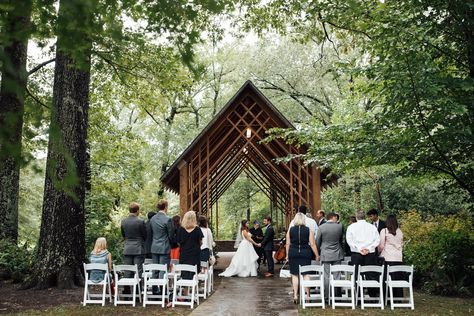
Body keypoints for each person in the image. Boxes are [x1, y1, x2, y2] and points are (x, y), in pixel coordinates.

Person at [286, 213, 320, 304]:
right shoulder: (309, 230)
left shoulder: (290, 230)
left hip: (293, 252)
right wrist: (317, 255)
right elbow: (312, 244)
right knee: (306, 274)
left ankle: (295, 295)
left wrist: (286, 255)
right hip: (306, 253)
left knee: (294, 274)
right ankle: (308, 296)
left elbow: (288, 244)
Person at [346, 210, 380, 296]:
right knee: (371, 274)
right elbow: (377, 240)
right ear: (365, 217)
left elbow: (349, 240)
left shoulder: (351, 227)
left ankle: (358, 295)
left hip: (357, 254)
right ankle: (372, 295)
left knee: (357, 274)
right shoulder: (372, 227)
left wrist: (359, 248)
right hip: (370, 254)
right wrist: (369, 248)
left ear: (356, 217)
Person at [316, 212, 344, 301]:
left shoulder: (321, 227)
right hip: (337, 253)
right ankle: (337, 296)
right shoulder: (340, 226)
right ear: (334, 217)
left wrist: (319, 251)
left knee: (326, 276)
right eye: (336, 218)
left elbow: (317, 241)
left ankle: (327, 296)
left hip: (325, 253)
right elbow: (341, 240)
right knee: (337, 275)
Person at [121, 202, 146, 293]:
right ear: (137, 210)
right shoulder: (140, 221)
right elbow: (144, 235)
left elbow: (123, 235)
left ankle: (126, 291)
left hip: (127, 247)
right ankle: (137, 291)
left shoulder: (124, 221)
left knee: (127, 269)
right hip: (138, 248)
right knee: (138, 270)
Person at [378, 214, 404, 298]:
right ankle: (398, 297)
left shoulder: (384, 231)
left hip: (387, 257)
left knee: (387, 278)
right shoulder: (400, 231)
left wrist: (378, 252)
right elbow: (401, 243)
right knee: (397, 278)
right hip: (398, 258)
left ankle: (388, 296)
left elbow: (381, 246)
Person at [177, 211, 204, 280]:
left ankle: (186, 289)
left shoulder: (181, 230)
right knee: (194, 272)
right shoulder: (197, 230)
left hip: (184, 254)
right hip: (195, 254)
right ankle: (194, 289)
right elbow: (200, 242)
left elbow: (178, 242)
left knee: (185, 272)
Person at [150, 199, 173, 278]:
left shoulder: (152, 219)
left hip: (154, 247)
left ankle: (155, 288)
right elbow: (171, 235)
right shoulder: (168, 219)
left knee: (155, 269)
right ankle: (161, 289)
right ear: (166, 207)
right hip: (164, 247)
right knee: (163, 269)